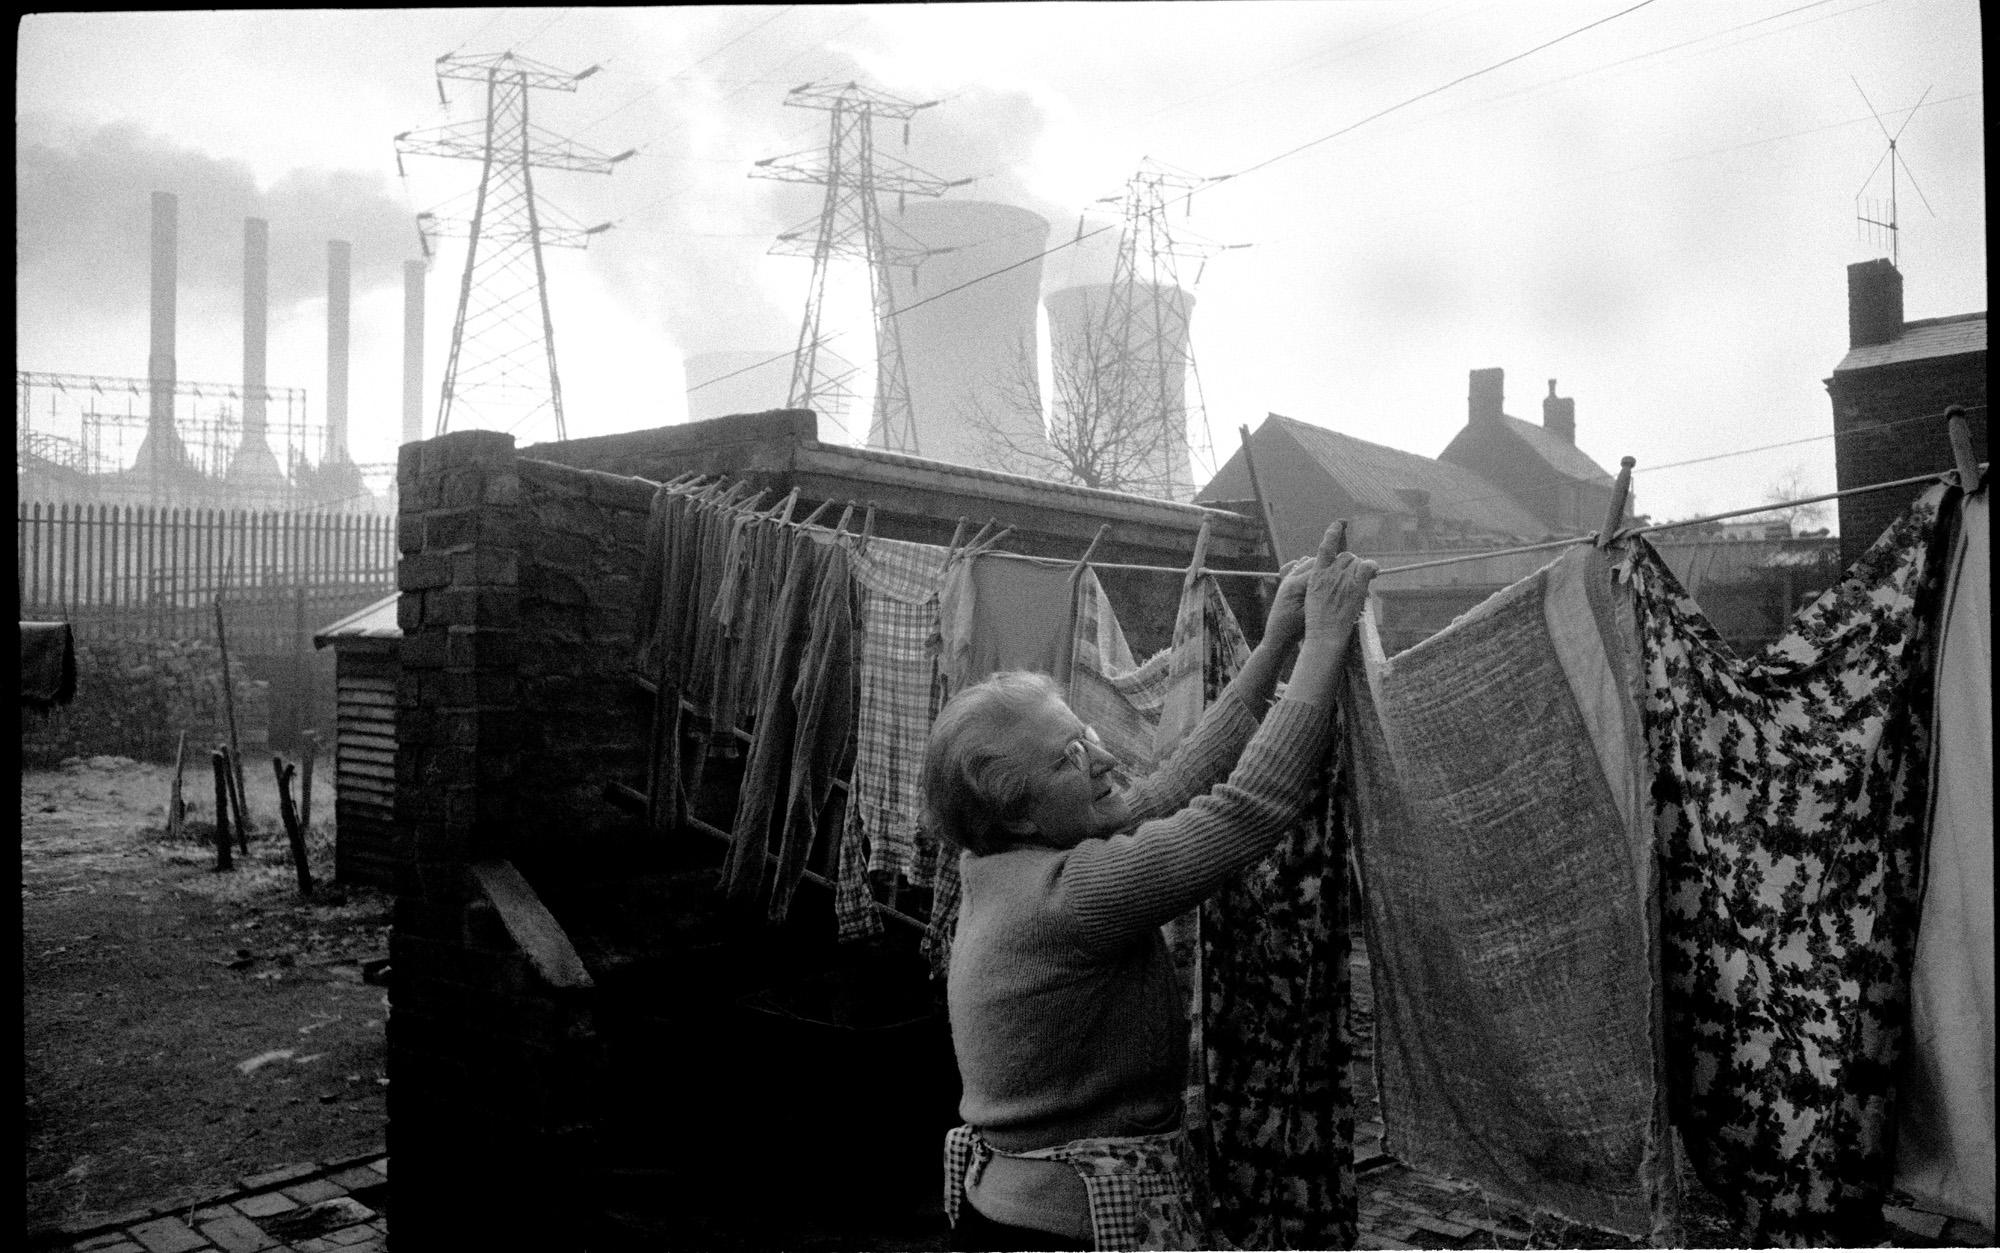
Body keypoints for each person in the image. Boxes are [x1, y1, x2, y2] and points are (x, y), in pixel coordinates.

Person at [925, 535, 1377, 1251]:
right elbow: (1243, 810)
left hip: (1022, 1204)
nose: (1102, 755)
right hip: (1054, 1229)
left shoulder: (1012, 860)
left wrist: (1280, 640)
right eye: (1069, 758)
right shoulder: (1067, 896)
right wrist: (1324, 642)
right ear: (1017, 810)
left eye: (1087, 732)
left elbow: (1166, 786)